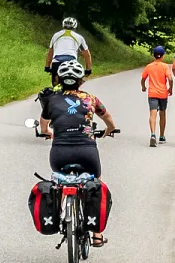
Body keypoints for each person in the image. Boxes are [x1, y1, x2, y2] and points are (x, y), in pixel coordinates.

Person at [37, 59, 119, 245]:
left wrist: (48, 133)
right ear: (81, 80)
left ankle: (61, 213)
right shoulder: (90, 99)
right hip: (86, 152)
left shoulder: (51, 101)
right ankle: (97, 234)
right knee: (95, 181)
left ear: (58, 79)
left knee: (60, 181)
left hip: (59, 154)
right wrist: (110, 130)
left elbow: (43, 126)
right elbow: (107, 118)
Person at [140, 46, 174, 147]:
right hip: (163, 93)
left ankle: (153, 134)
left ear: (154, 55)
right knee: (162, 114)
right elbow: (170, 79)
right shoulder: (165, 66)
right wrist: (170, 88)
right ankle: (162, 135)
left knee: (152, 114)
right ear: (162, 56)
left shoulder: (149, 66)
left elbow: (143, 78)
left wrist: (143, 87)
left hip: (152, 93)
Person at [44, 16, 91, 84]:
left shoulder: (56, 35)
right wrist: (88, 69)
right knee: (75, 84)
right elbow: (87, 55)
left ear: (63, 25)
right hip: (72, 63)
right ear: (75, 26)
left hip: (56, 62)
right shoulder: (79, 37)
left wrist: (47, 66)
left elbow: (50, 52)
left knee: (55, 85)